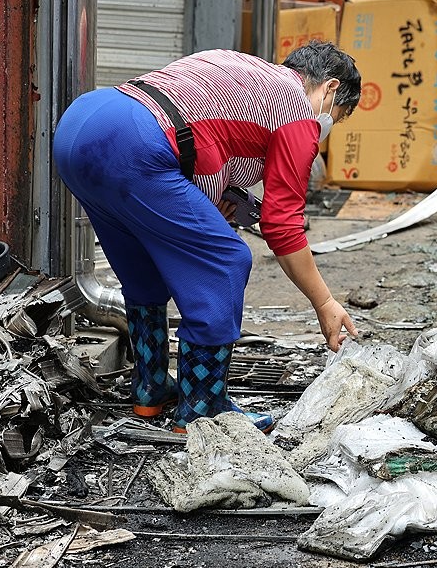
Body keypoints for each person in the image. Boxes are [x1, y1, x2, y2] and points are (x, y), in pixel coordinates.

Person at [53, 41, 361, 433]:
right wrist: (325, 301)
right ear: (329, 88)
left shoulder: (246, 74)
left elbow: (195, 133)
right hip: (134, 141)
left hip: (83, 125)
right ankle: (202, 406)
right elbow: (282, 224)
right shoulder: (299, 110)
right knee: (226, 261)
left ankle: (151, 388)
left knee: (145, 268)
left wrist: (213, 201)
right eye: (337, 115)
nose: (327, 127)